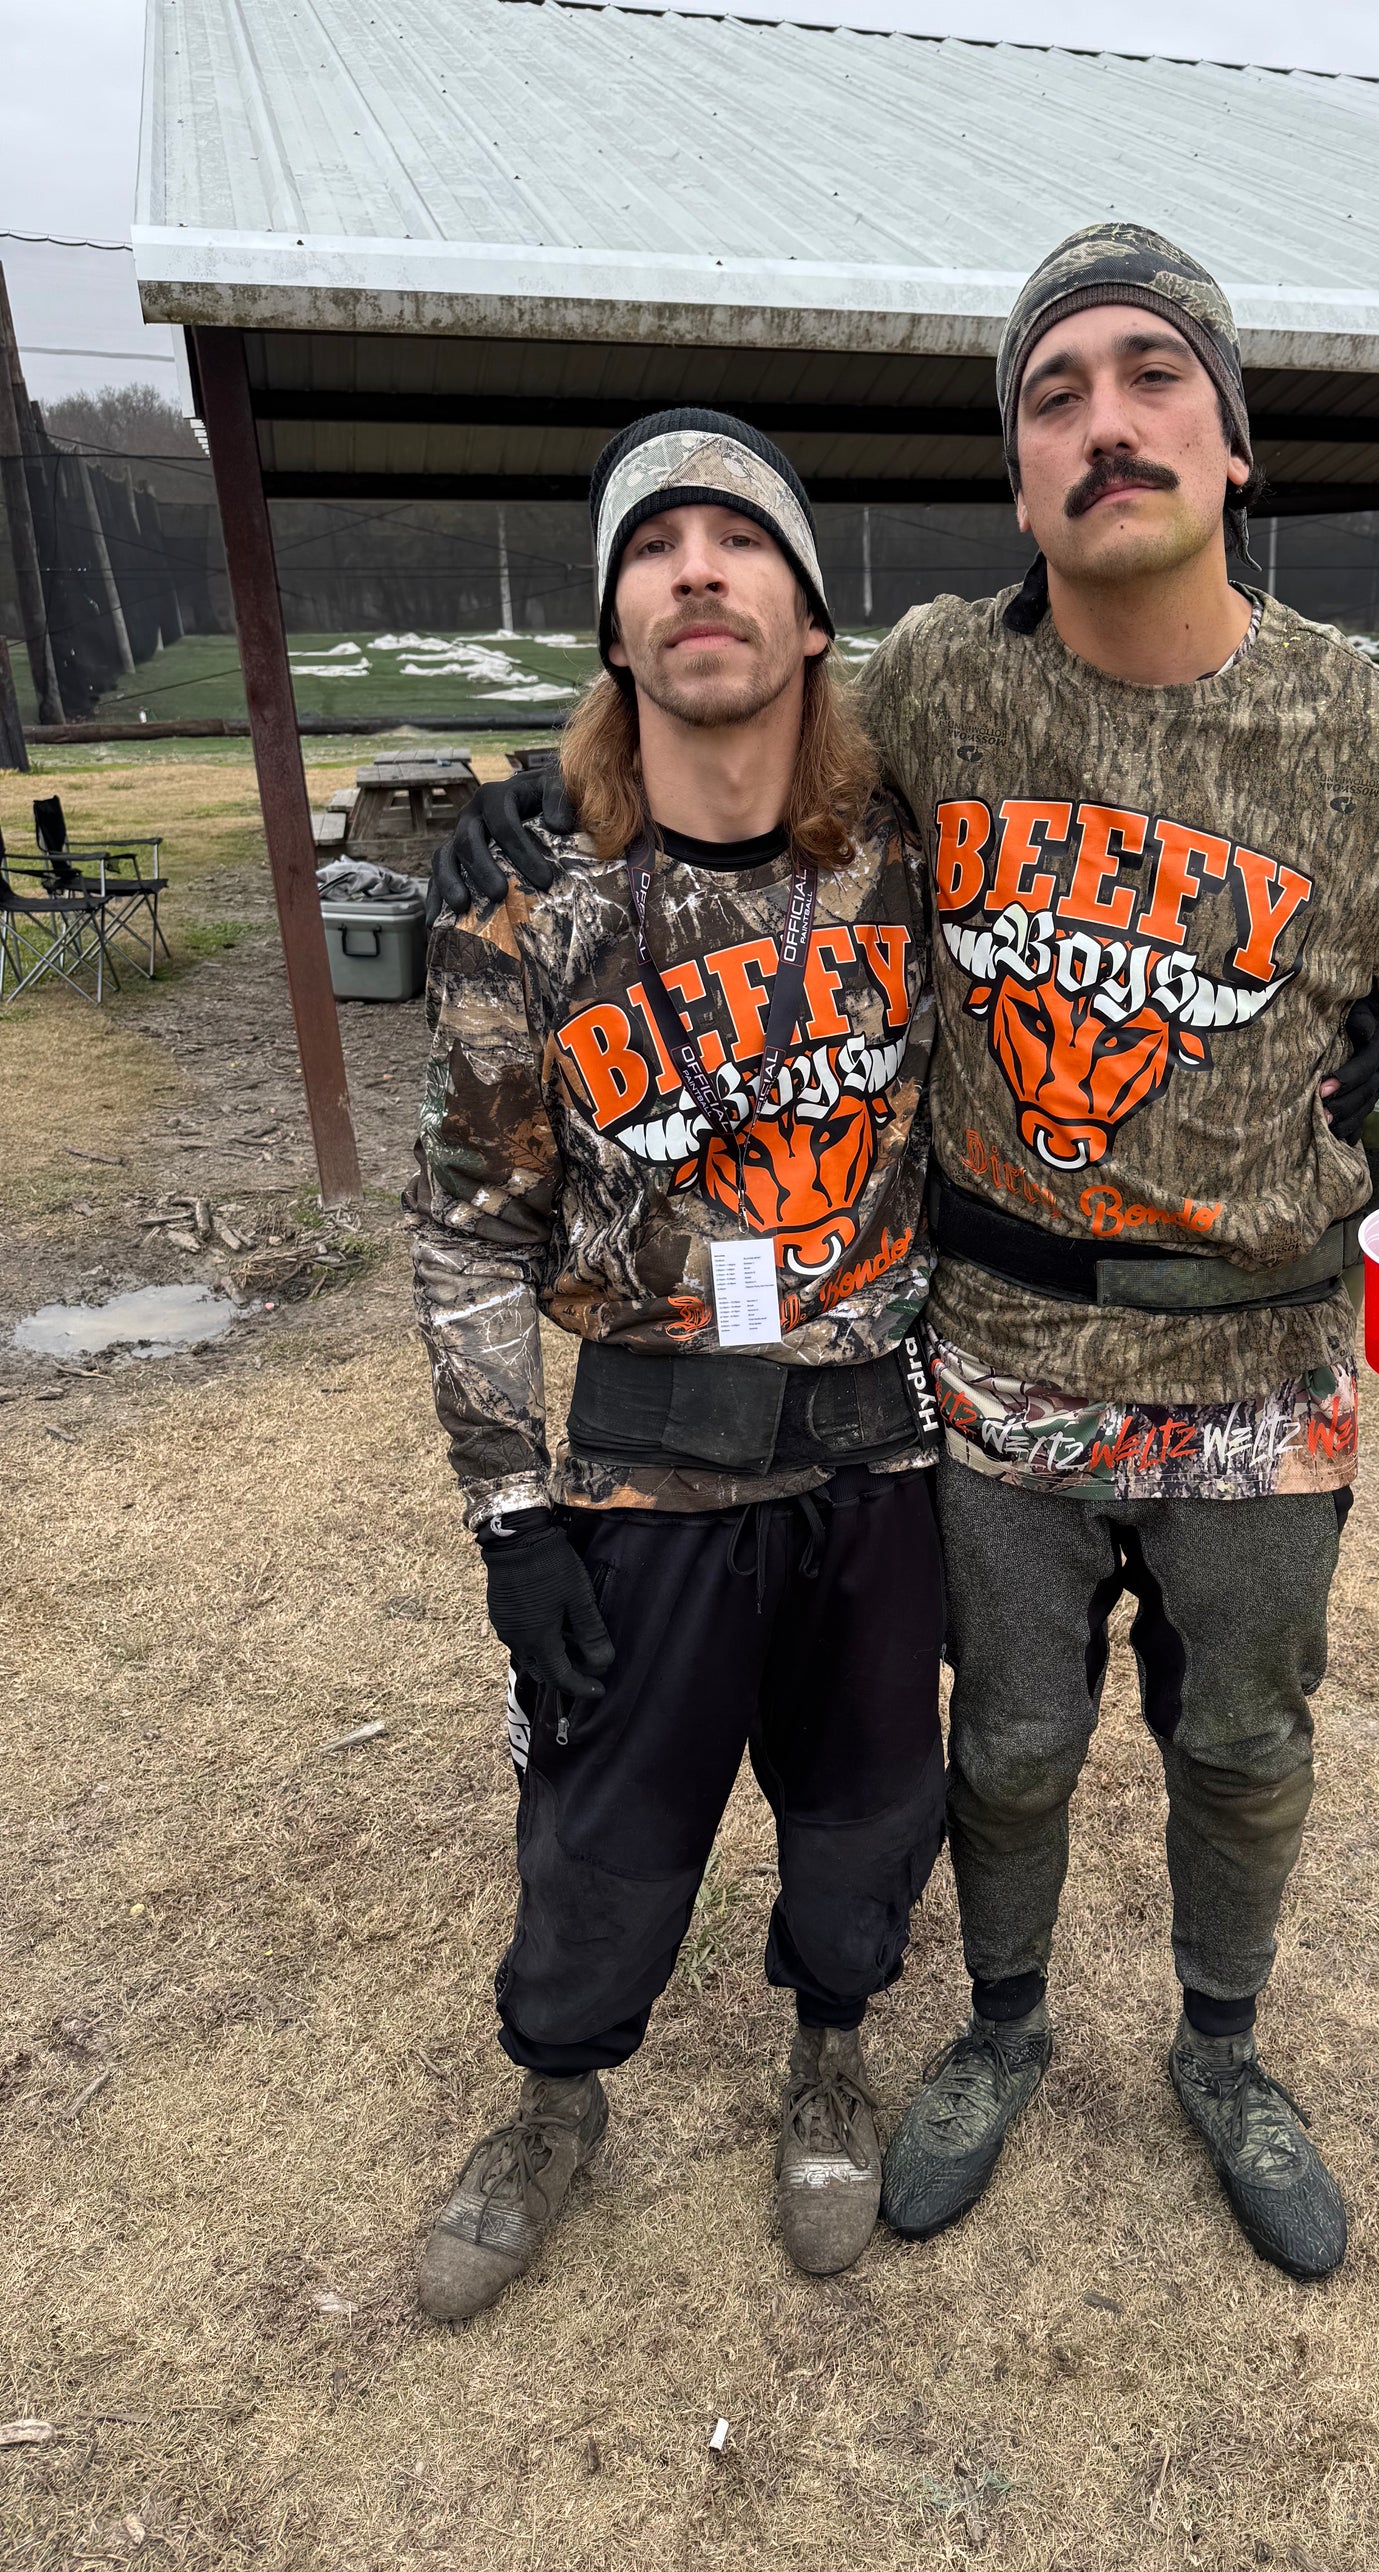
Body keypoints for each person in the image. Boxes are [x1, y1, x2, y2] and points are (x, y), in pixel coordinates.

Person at [436, 224, 1379, 2286]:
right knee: (1010, 1746)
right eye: (1055, 394)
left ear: (1232, 441)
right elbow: (729, 724)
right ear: (1017, 471)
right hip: (993, 1361)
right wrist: (541, 797)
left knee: (1244, 1741)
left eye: (1151, 377)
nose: (1104, 423)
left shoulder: (1369, 738)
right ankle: (1001, 2027)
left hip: (1261, 1366)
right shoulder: (943, 686)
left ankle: (1223, 2051)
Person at [406, 411, 949, 2317]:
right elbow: (472, 1220)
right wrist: (508, 1515)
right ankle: (556, 2099)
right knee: (603, 1835)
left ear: (812, 616)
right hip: (646, 1456)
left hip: (879, 1449)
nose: (697, 570)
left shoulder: (916, 862)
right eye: (653, 547)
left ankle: (832, 2056)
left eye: (741, 541)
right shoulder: (527, 903)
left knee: (869, 1805)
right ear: (614, 627)